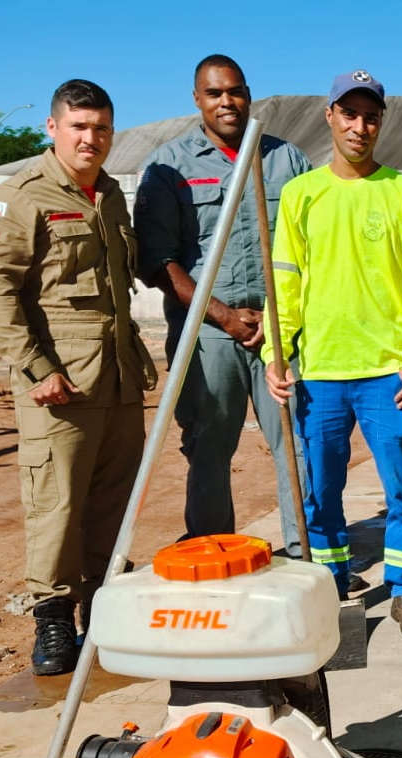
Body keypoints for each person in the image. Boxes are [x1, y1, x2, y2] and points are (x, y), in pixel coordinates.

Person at [0, 79, 157, 676]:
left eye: (101, 128)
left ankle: (101, 612)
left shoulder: (110, 196)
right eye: (79, 127)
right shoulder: (20, 196)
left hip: (119, 379)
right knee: (55, 504)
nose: (91, 138)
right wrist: (36, 368)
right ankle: (53, 621)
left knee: (114, 503)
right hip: (59, 385)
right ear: (52, 128)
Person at [264, 70, 402, 639]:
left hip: (389, 372)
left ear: (380, 122)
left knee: (401, 488)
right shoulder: (301, 194)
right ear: (330, 116)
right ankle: (334, 587)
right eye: (349, 113)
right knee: (322, 490)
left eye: (370, 116)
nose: (359, 126)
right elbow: (284, 284)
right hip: (319, 372)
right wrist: (277, 350)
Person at [135, 55, 312, 559]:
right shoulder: (171, 167)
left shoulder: (285, 160)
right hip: (209, 330)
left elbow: (311, 248)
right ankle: (216, 553)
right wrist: (225, 317)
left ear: (249, 93)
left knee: (296, 442)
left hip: (282, 327)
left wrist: (282, 319)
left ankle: (306, 553)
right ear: (197, 99)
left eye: (235, 91)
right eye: (214, 94)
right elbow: (157, 263)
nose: (226, 101)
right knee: (210, 446)